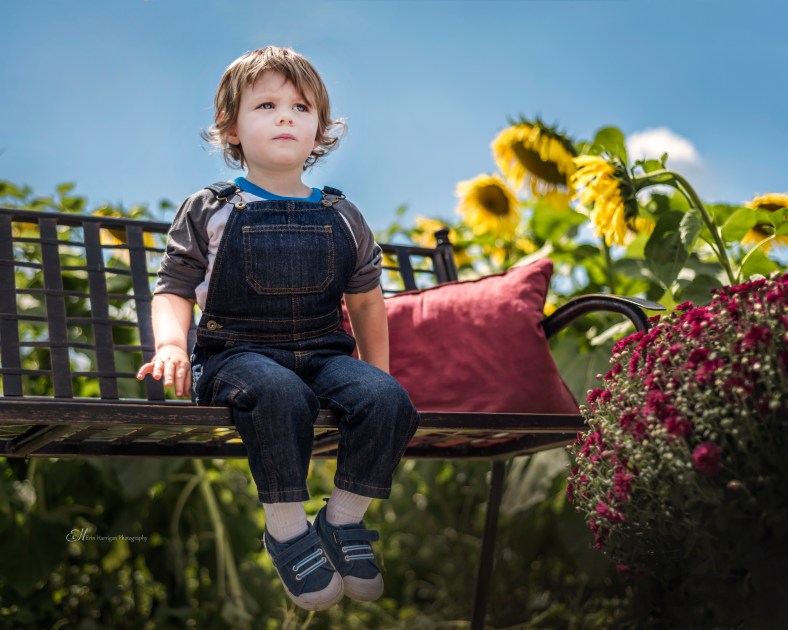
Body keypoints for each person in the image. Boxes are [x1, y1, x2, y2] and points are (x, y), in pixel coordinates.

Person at [136, 46, 420, 612]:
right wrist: (171, 343)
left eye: (300, 106)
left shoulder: (343, 213)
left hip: (322, 353)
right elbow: (172, 286)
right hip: (235, 358)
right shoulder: (212, 207)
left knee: (390, 400)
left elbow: (365, 302)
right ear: (232, 128)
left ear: (319, 131)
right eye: (265, 104)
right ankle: (288, 531)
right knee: (279, 394)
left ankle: (341, 523)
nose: (285, 116)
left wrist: (376, 373)